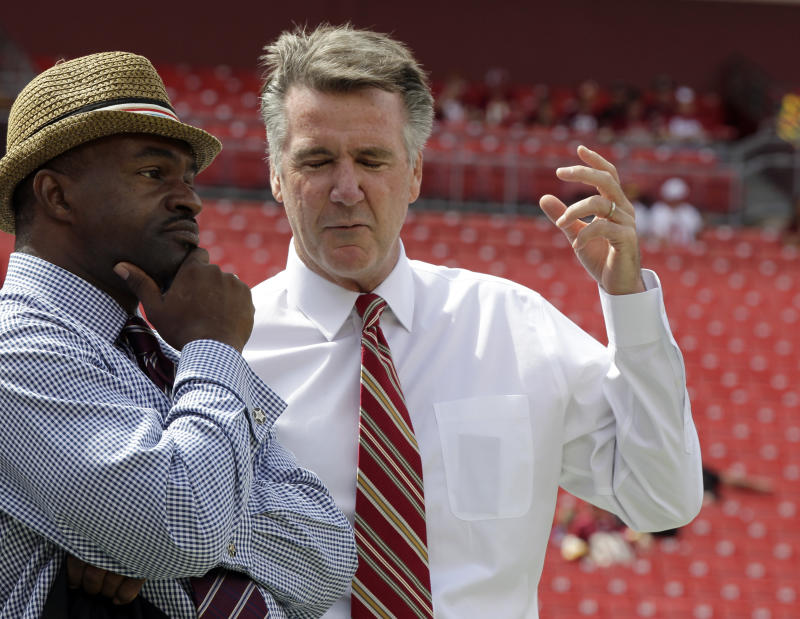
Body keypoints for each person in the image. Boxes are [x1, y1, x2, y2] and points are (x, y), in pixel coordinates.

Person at [244, 24, 703, 618]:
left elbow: (662, 500)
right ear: (278, 175)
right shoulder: (225, 353)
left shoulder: (516, 327)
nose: (347, 188)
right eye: (317, 160)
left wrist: (629, 304)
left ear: (414, 174)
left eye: (372, 158)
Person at [0, 51, 355, 618]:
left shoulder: (171, 358)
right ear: (57, 196)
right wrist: (213, 352)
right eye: (153, 173)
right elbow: (185, 528)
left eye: (188, 177)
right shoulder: (8, 351)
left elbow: (329, 558)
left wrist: (142, 537)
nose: (190, 199)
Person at [649, 177, 703, 246]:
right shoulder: (657, 210)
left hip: (686, 249)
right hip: (662, 249)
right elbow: (653, 234)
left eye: (676, 199)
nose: (674, 202)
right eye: (672, 199)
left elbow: (697, 233)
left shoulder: (690, 212)